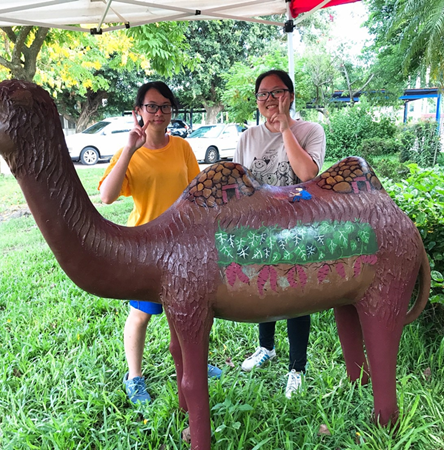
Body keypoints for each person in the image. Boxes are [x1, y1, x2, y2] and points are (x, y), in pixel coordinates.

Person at [99, 81, 222, 404]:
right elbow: (107, 196)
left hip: (182, 247)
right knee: (141, 314)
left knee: (182, 312)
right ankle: (134, 376)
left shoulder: (181, 146)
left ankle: (193, 364)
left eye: (165, 106)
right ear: (137, 112)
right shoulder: (130, 153)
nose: (159, 113)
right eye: (151, 106)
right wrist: (129, 148)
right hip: (145, 248)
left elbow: (196, 192)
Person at [233, 69, 326, 399]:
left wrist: (285, 127)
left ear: (291, 95)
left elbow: (308, 174)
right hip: (258, 230)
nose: (270, 100)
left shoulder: (310, 130)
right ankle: (266, 348)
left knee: (297, 299)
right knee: (264, 289)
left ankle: (297, 368)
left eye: (278, 92)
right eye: (263, 94)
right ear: (256, 100)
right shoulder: (247, 138)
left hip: (298, 231)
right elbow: (239, 186)